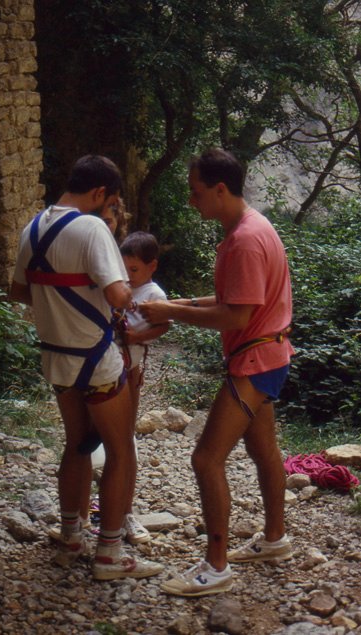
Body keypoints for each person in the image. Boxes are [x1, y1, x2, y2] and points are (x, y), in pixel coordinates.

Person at [140, 148, 294, 597]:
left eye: (196, 192)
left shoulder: (245, 240)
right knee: (264, 449)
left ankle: (216, 565)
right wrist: (182, 304)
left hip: (255, 360)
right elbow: (234, 298)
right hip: (270, 356)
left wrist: (171, 311)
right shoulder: (252, 227)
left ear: (220, 190)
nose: (192, 201)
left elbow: (237, 315)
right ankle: (275, 538)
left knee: (206, 458)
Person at [10, 154, 163, 581]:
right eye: (111, 203)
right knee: (119, 451)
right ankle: (110, 555)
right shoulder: (93, 227)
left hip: (56, 358)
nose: (111, 211)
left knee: (77, 443)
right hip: (96, 360)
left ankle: (71, 536)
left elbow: (19, 291)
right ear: (99, 194)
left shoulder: (33, 227)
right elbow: (117, 296)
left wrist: (61, 306)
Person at [118, 231, 170, 542]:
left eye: (134, 270)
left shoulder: (154, 294)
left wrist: (136, 338)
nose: (128, 275)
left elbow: (164, 325)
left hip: (130, 368)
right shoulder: (123, 288)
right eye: (124, 269)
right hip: (110, 365)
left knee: (125, 437)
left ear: (152, 266)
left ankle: (126, 511)